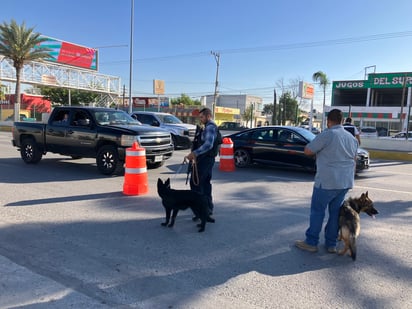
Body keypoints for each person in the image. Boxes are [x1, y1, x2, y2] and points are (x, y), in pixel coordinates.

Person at [295, 109, 359, 253]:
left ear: (328, 121)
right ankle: (331, 244)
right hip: (344, 183)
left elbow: (308, 150)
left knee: (317, 212)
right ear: (342, 121)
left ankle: (311, 242)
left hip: (327, 182)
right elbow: (354, 160)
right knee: (335, 213)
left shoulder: (327, 134)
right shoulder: (352, 138)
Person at [185, 107, 218, 216]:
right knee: (204, 185)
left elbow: (208, 144)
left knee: (197, 185)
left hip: (205, 160)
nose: (200, 119)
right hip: (206, 160)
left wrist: (194, 153)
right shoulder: (208, 126)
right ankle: (207, 209)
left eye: (202, 117)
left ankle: (202, 210)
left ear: (208, 116)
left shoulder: (210, 127)